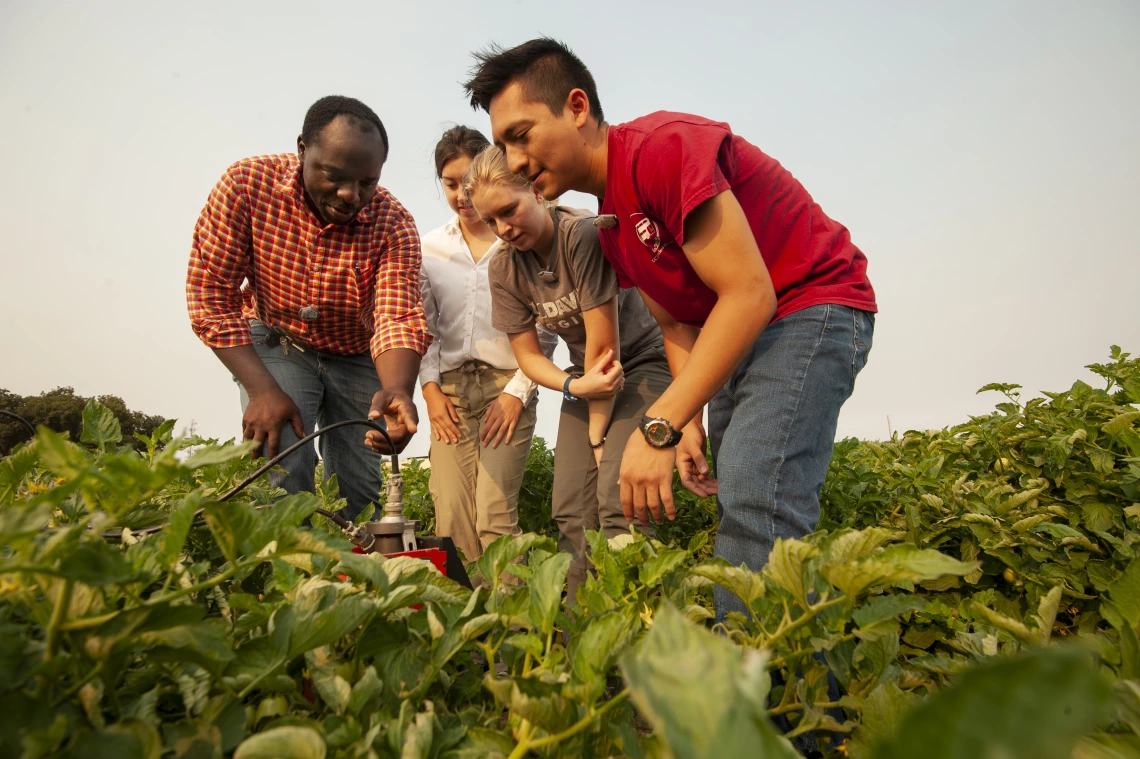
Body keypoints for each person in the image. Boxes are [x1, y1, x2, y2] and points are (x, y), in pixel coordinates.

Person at [463, 39, 878, 619]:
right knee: (742, 499)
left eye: (521, 134)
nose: (512, 160)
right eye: (503, 144)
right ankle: (779, 690)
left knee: (760, 501)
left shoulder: (660, 149)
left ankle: (759, 697)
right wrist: (685, 422)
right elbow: (676, 321)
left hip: (807, 308)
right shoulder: (613, 227)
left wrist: (656, 425)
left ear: (577, 108)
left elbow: (749, 292)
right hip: (741, 330)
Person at [187, 95, 430, 520]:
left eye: (367, 182)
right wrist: (262, 391)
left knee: (360, 486)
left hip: (355, 355)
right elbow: (211, 296)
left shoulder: (393, 222)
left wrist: (396, 390)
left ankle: (359, 578)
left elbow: (396, 316)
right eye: (334, 176)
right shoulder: (247, 185)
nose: (350, 194)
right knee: (283, 451)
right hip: (277, 338)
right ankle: (293, 575)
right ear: (302, 150)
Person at [463, 145, 672, 600]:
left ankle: (642, 637)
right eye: (491, 221)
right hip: (587, 376)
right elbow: (529, 356)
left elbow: (606, 350)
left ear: (536, 191)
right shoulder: (503, 266)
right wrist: (573, 385)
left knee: (619, 501)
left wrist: (597, 438)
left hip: (640, 363)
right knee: (572, 510)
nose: (503, 228)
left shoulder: (580, 236)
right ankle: (582, 648)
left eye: (509, 210)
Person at [419, 125, 557, 564]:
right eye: (450, 183)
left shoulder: (517, 235)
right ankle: (466, 627)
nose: (462, 195)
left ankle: (511, 627)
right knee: (453, 523)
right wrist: (430, 392)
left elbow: (548, 323)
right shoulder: (430, 248)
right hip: (451, 395)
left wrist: (518, 394)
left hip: (507, 385)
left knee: (495, 520)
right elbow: (425, 326)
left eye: (467, 182)